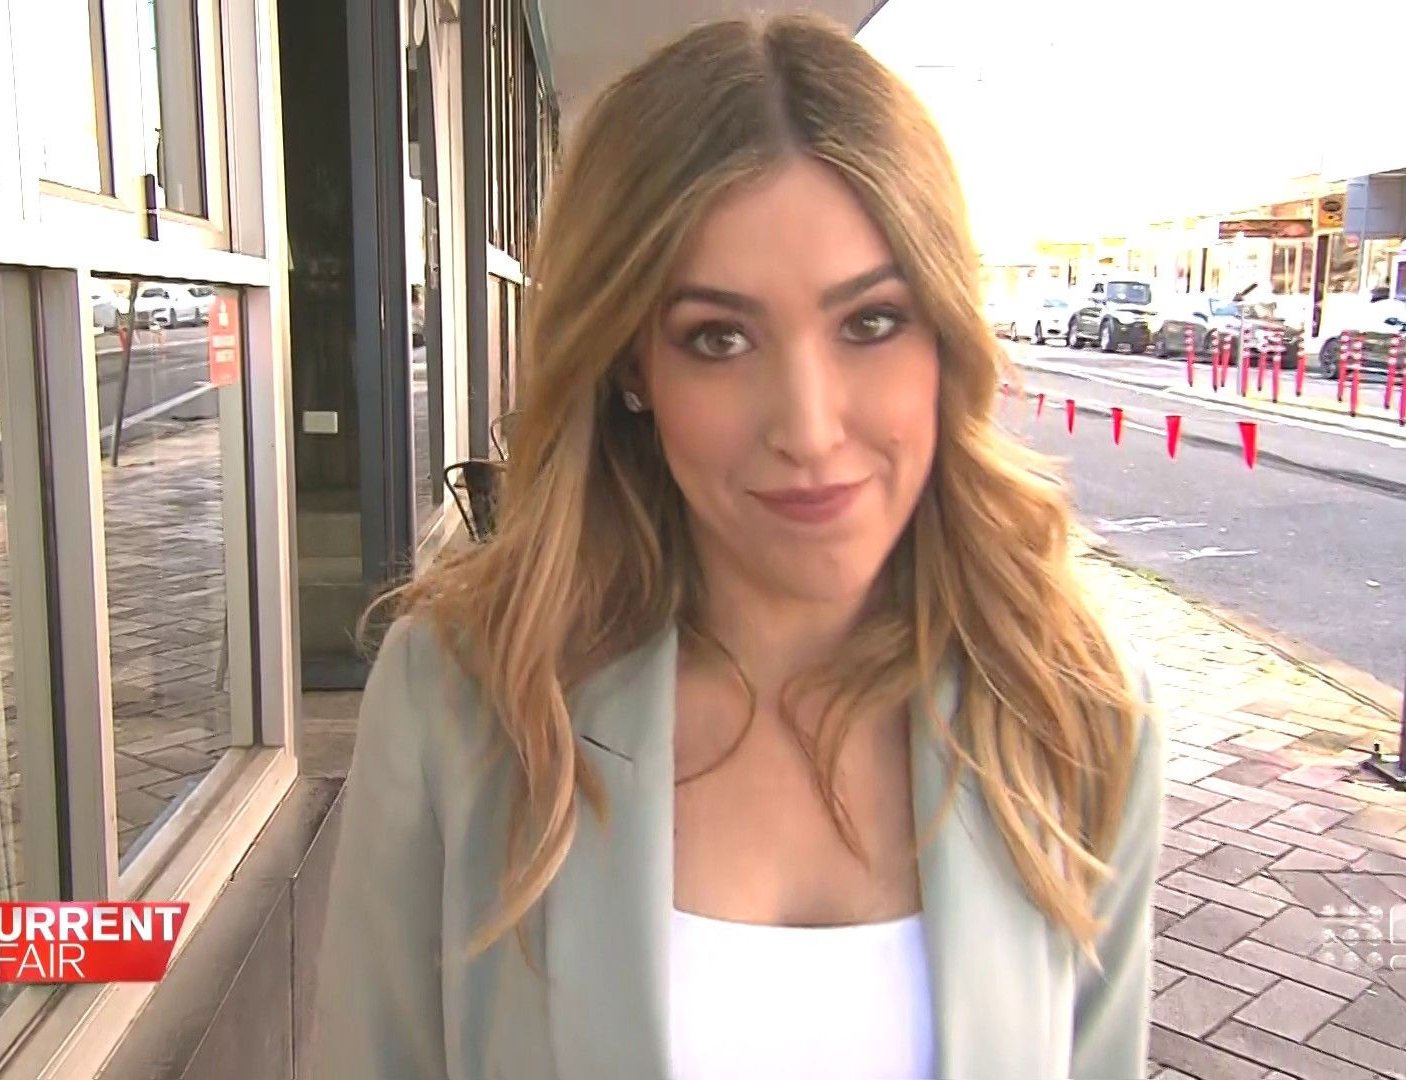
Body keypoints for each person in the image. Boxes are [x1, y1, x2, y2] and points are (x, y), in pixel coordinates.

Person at [313, 14, 1162, 1080]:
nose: (807, 427)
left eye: (870, 323)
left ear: (947, 335)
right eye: (718, 338)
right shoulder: (461, 699)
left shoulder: (1077, 712)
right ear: (632, 365)